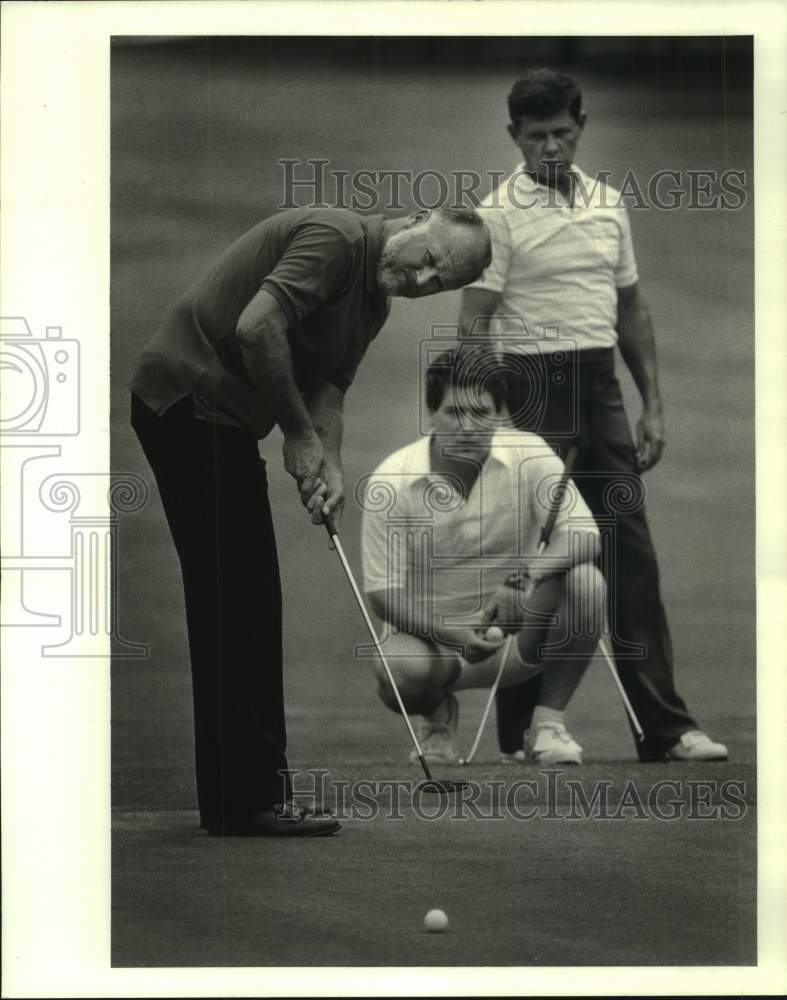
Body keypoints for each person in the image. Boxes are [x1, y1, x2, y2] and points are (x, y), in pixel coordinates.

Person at [129, 205, 492, 836]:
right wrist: (296, 434)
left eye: (442, 283)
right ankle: (250, 800)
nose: (424, 281)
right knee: (238, 602)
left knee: (244, 601)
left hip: (221, 423)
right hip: (188, 402)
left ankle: (238, 799)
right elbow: (256, 326)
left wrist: (328, 461)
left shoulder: (372, 305)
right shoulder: (337, 238)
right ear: (413, 221)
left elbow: (329, 391)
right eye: (429, 259)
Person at [459, 68, 727, 762]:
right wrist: (492, 421)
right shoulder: (496, 214)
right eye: (535, 136)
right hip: (529, 389)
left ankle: (665, 729)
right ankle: (524, 730)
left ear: (580, 126)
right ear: (513, 135)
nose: (549, 148)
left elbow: (631, 308)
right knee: (541, 561)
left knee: (627, 556)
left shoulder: (609, 205)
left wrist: (653, 405)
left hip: (598, 385)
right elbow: (473, 324)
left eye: (561, 133)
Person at [360, 349, 605, 765]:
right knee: (393, 670)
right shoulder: (392, 480)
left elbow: (586, 535)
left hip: (518, 635)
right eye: (455, 412)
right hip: (434, 648)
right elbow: (383, 593)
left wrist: (524, 579)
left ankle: (547, 724)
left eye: (482, 412)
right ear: (431, 412)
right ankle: (437, 717)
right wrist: (454, 636)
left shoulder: (529, 453)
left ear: (499, 413)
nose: (469, 426)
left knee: (587, 582)